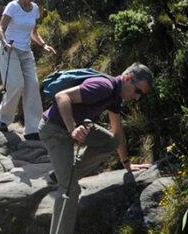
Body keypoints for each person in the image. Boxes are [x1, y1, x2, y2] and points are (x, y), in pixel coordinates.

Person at [39, 63, 154, 234]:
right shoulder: (103, 86)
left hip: (76, 128)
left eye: (141, 95)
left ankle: (63, 174)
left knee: (110, 142)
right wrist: (72, 129)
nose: (137, 98)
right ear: (127, 78)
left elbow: (117, 132)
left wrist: (127, 164)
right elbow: (62, 96)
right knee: (70, 190)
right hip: (55, 130)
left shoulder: (115, 96)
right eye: (138, 91)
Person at [0, 0, 57, 140]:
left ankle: (32, 129)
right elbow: (1, 28)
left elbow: (34, 33)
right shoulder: (12, 7)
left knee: (33, 86)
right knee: (16, 84)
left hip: (26, 52)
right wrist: (5, 43)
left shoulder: (35, 8)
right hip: (10, 50)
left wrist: (43, 45)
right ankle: (2, 120)